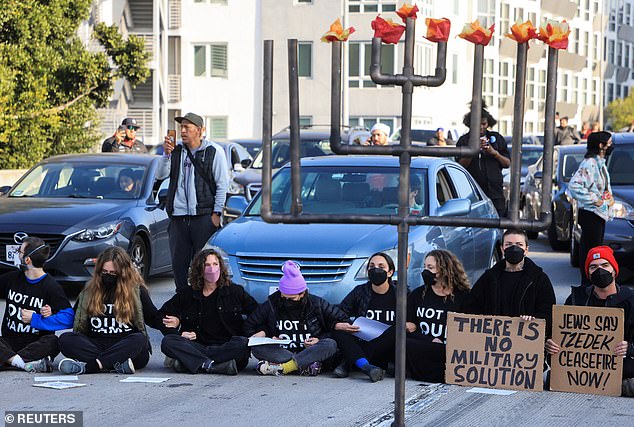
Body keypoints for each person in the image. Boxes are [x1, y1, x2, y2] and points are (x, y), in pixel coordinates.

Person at [57, 246, 164, 375]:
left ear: (123, 273)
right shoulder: (89, 292)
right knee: (65, 339)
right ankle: (114, 364)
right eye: (104, 272)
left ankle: (92, 366)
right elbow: (75, 317)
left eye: (113, 273)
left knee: (140, 339)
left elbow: (153, 317)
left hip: (125, 346)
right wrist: (47, 314)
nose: (108, 276)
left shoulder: (136, 291)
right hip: (95, 344)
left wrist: (174, 322)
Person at [545, 246, 634, 396]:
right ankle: (617, 386)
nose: (600, 270)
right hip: (582, 364)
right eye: (594, 267)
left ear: (614, 270)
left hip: (620, 361)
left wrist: (630, 347)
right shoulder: (576, 298)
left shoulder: (630, 300)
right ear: (588, 273)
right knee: (551, 377)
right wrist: (551, 343)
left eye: (605, 265)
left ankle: (618, 384)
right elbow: (560, 333)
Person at [157, 112, 230, 293]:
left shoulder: (213, 152)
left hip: (203, 217)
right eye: (181, 127)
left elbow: (222, 185)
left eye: (187, 127)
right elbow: (160, 175)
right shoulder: (176, 151)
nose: (182, 131)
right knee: (179, 266)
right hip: (179, 218)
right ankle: (182, 301)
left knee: (204, 265)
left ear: (199, 131)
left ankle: (203, 303)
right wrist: (166, 155)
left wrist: (216, 214)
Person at [159, 248, 257, 375]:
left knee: (242, 344)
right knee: (168, 342)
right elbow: (160, 316)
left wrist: (255, 332)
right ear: (199, 269)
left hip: (226, 346)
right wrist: (177, 329)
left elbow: (257, 313)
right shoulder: (187, 294)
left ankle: (192, 362)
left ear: (221, 267)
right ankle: (212, 365)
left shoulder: (235, 292)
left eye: (215, 264)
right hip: (197, 345)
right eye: (207, 265)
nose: (212, 269)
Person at [244, 261, 346, 376]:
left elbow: (342, 322)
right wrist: (265, 334)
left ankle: (285, 368)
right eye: (283, 297)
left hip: (311, 350)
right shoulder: (272, 303)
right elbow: (249, 325)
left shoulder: (317, 303)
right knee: (257, 348)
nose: (287, 302)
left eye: (291, 299)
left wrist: (319, 339)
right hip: (283, 351)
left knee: (330, 344)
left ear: (302, 294)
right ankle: (304, 365)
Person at [0, 237, 73, 373]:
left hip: (36, 344)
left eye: (20, 252)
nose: (18, 255)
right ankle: (23, 364)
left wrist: (36, 319)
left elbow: (69, 318)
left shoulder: (51, 286)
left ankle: (9, 361)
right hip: (9, 341)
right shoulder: (12, 278)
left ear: (27, 260)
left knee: (53, 341)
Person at [464, 229, 556, 331]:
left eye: (519, 244)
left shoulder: (539, 279)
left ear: (526, 250)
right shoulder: (489, 278)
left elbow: (548, 312)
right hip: (493, 340)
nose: (514, 248)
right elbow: (471, 307)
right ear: (502, 249)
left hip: (525, 340)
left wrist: (534, 320)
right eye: (508, 244)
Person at [331, 252, 398, 382]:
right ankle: (367, 367)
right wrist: (342, 325)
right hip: (363, 339)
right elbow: (340, 312)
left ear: (390, 272)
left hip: (387, 345)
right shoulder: (360, 291)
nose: (375, 269)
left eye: (381, 266)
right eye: (371, 266)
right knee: (339, 330)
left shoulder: (400, 294)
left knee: (397, 330)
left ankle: (349, 362)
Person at [405, 249, 471, 383]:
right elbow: (409, 327)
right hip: (423, 345)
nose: (425, 271)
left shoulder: (464, 297)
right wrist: (430, 340)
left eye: (430, 267)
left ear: (445, 269)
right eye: (424, 267)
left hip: (449, 351)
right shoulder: (417, 294)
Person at [566, 131, 615, 285]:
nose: (611, 145)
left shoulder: (600, 163)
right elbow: (574, 186)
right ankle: (588, 283)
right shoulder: (590, 163)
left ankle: (590, 282)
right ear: (601, 145)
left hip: (598, 214)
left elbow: (600, 187)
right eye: (609, 142)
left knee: (593, 248)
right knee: (591, 250)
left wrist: (607, 199)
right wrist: (595, 200)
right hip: (590, 214)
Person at [456, 105, 510, 216]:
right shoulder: (464, 140)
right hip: (472, 195)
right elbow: (460, 166)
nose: (481, 127)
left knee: (498, 223)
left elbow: (507, 163)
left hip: (496, 193)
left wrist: (494, 153)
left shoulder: (496, 138)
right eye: (477, 124)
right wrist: (473, 150)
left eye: (484, 124)